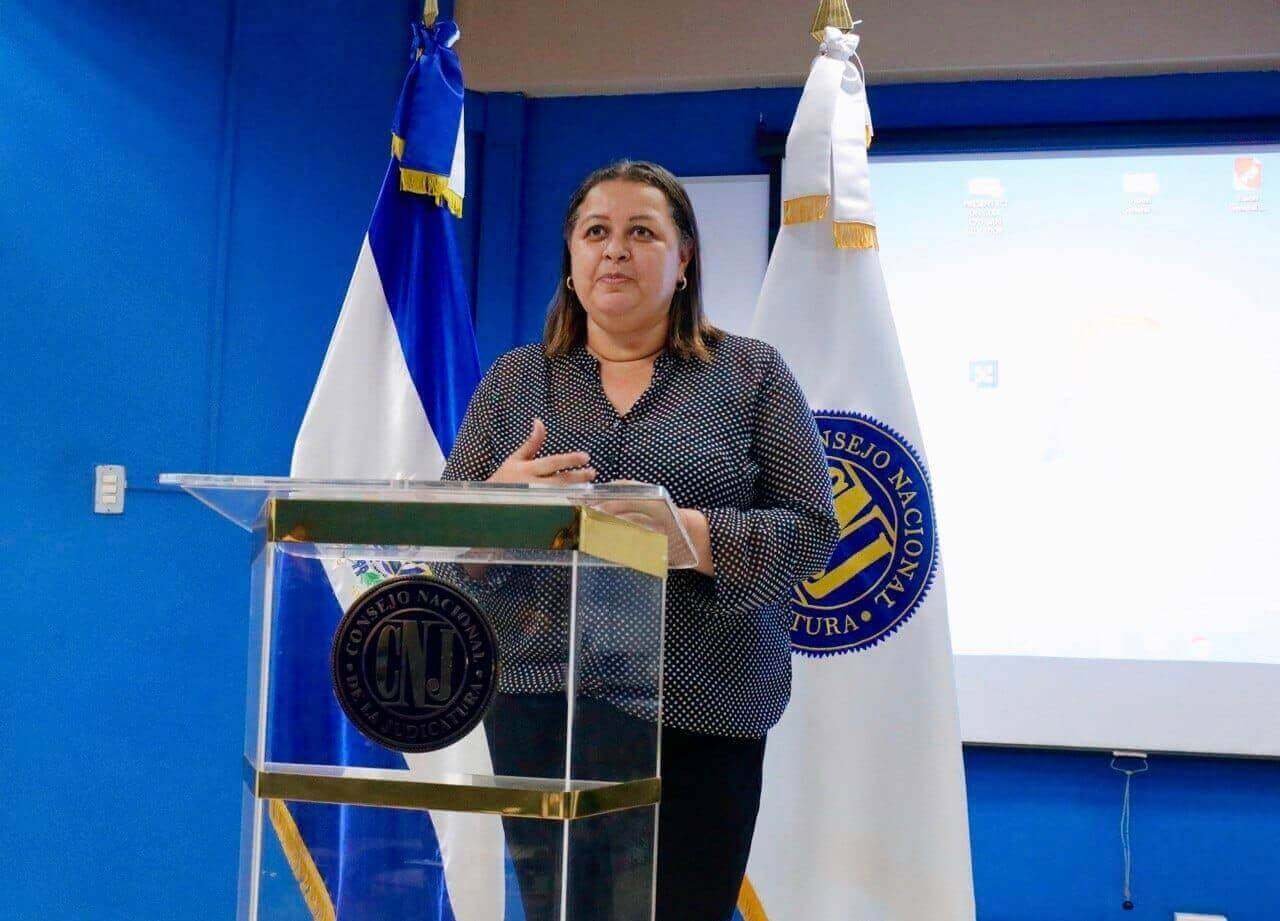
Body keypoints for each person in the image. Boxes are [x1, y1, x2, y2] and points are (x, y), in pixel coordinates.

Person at [442, 160, 838, 920]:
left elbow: (814, 531)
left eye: (641, 233)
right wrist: (496, 509)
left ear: (684, 259)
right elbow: (451, 553)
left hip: (701, 709)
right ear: (571, 259)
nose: (615, 250)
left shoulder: (751, 374)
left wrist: (690, 536)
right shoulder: (515, 381)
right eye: (596, 232)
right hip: (542, 709)